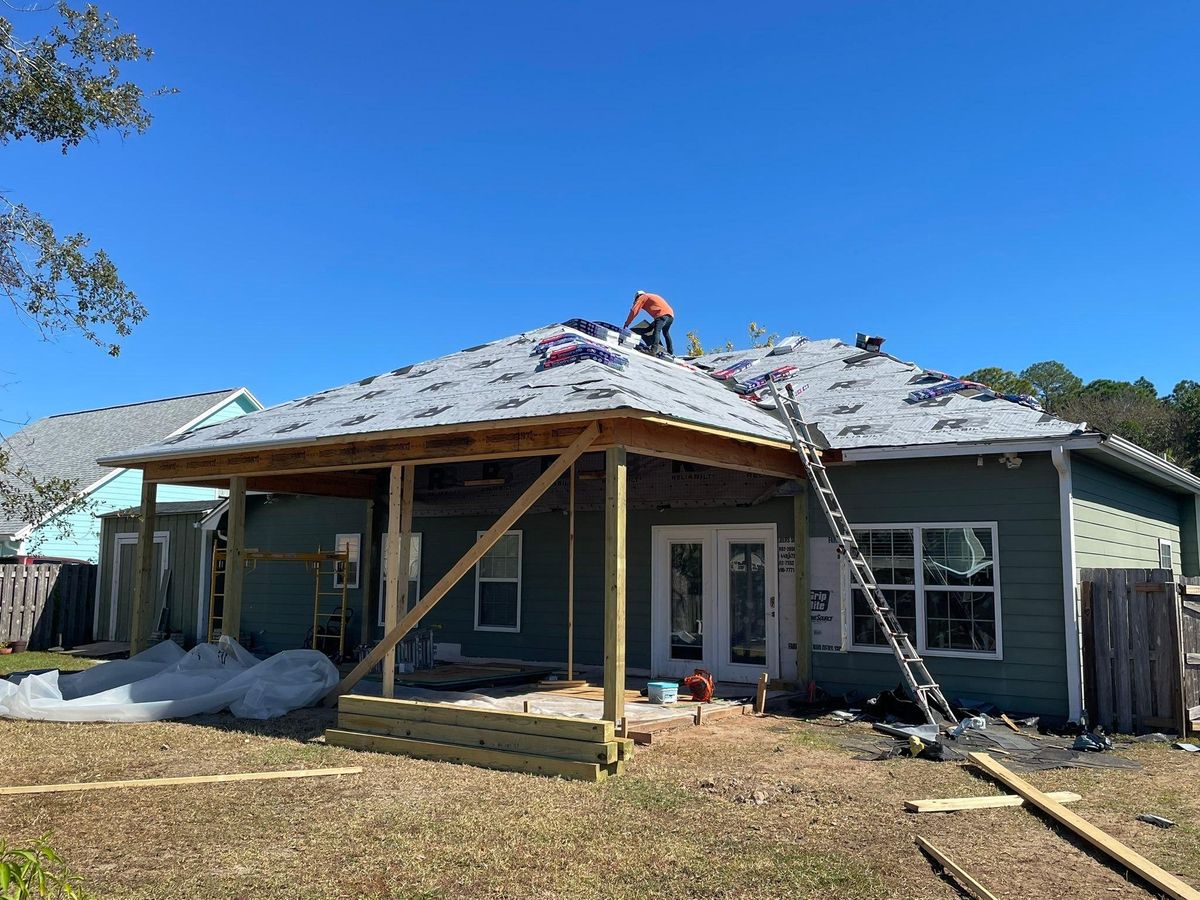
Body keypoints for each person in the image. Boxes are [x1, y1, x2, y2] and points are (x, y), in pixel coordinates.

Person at [623, 290, 674, 356]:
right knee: (664, 333)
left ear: (637, 297)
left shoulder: (642, 297)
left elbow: (634, 311)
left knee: (656, 331)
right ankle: (670, 352)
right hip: (670, 316)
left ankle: (653, 350)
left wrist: (627, 324)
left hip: (662, 315)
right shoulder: (649, 296)